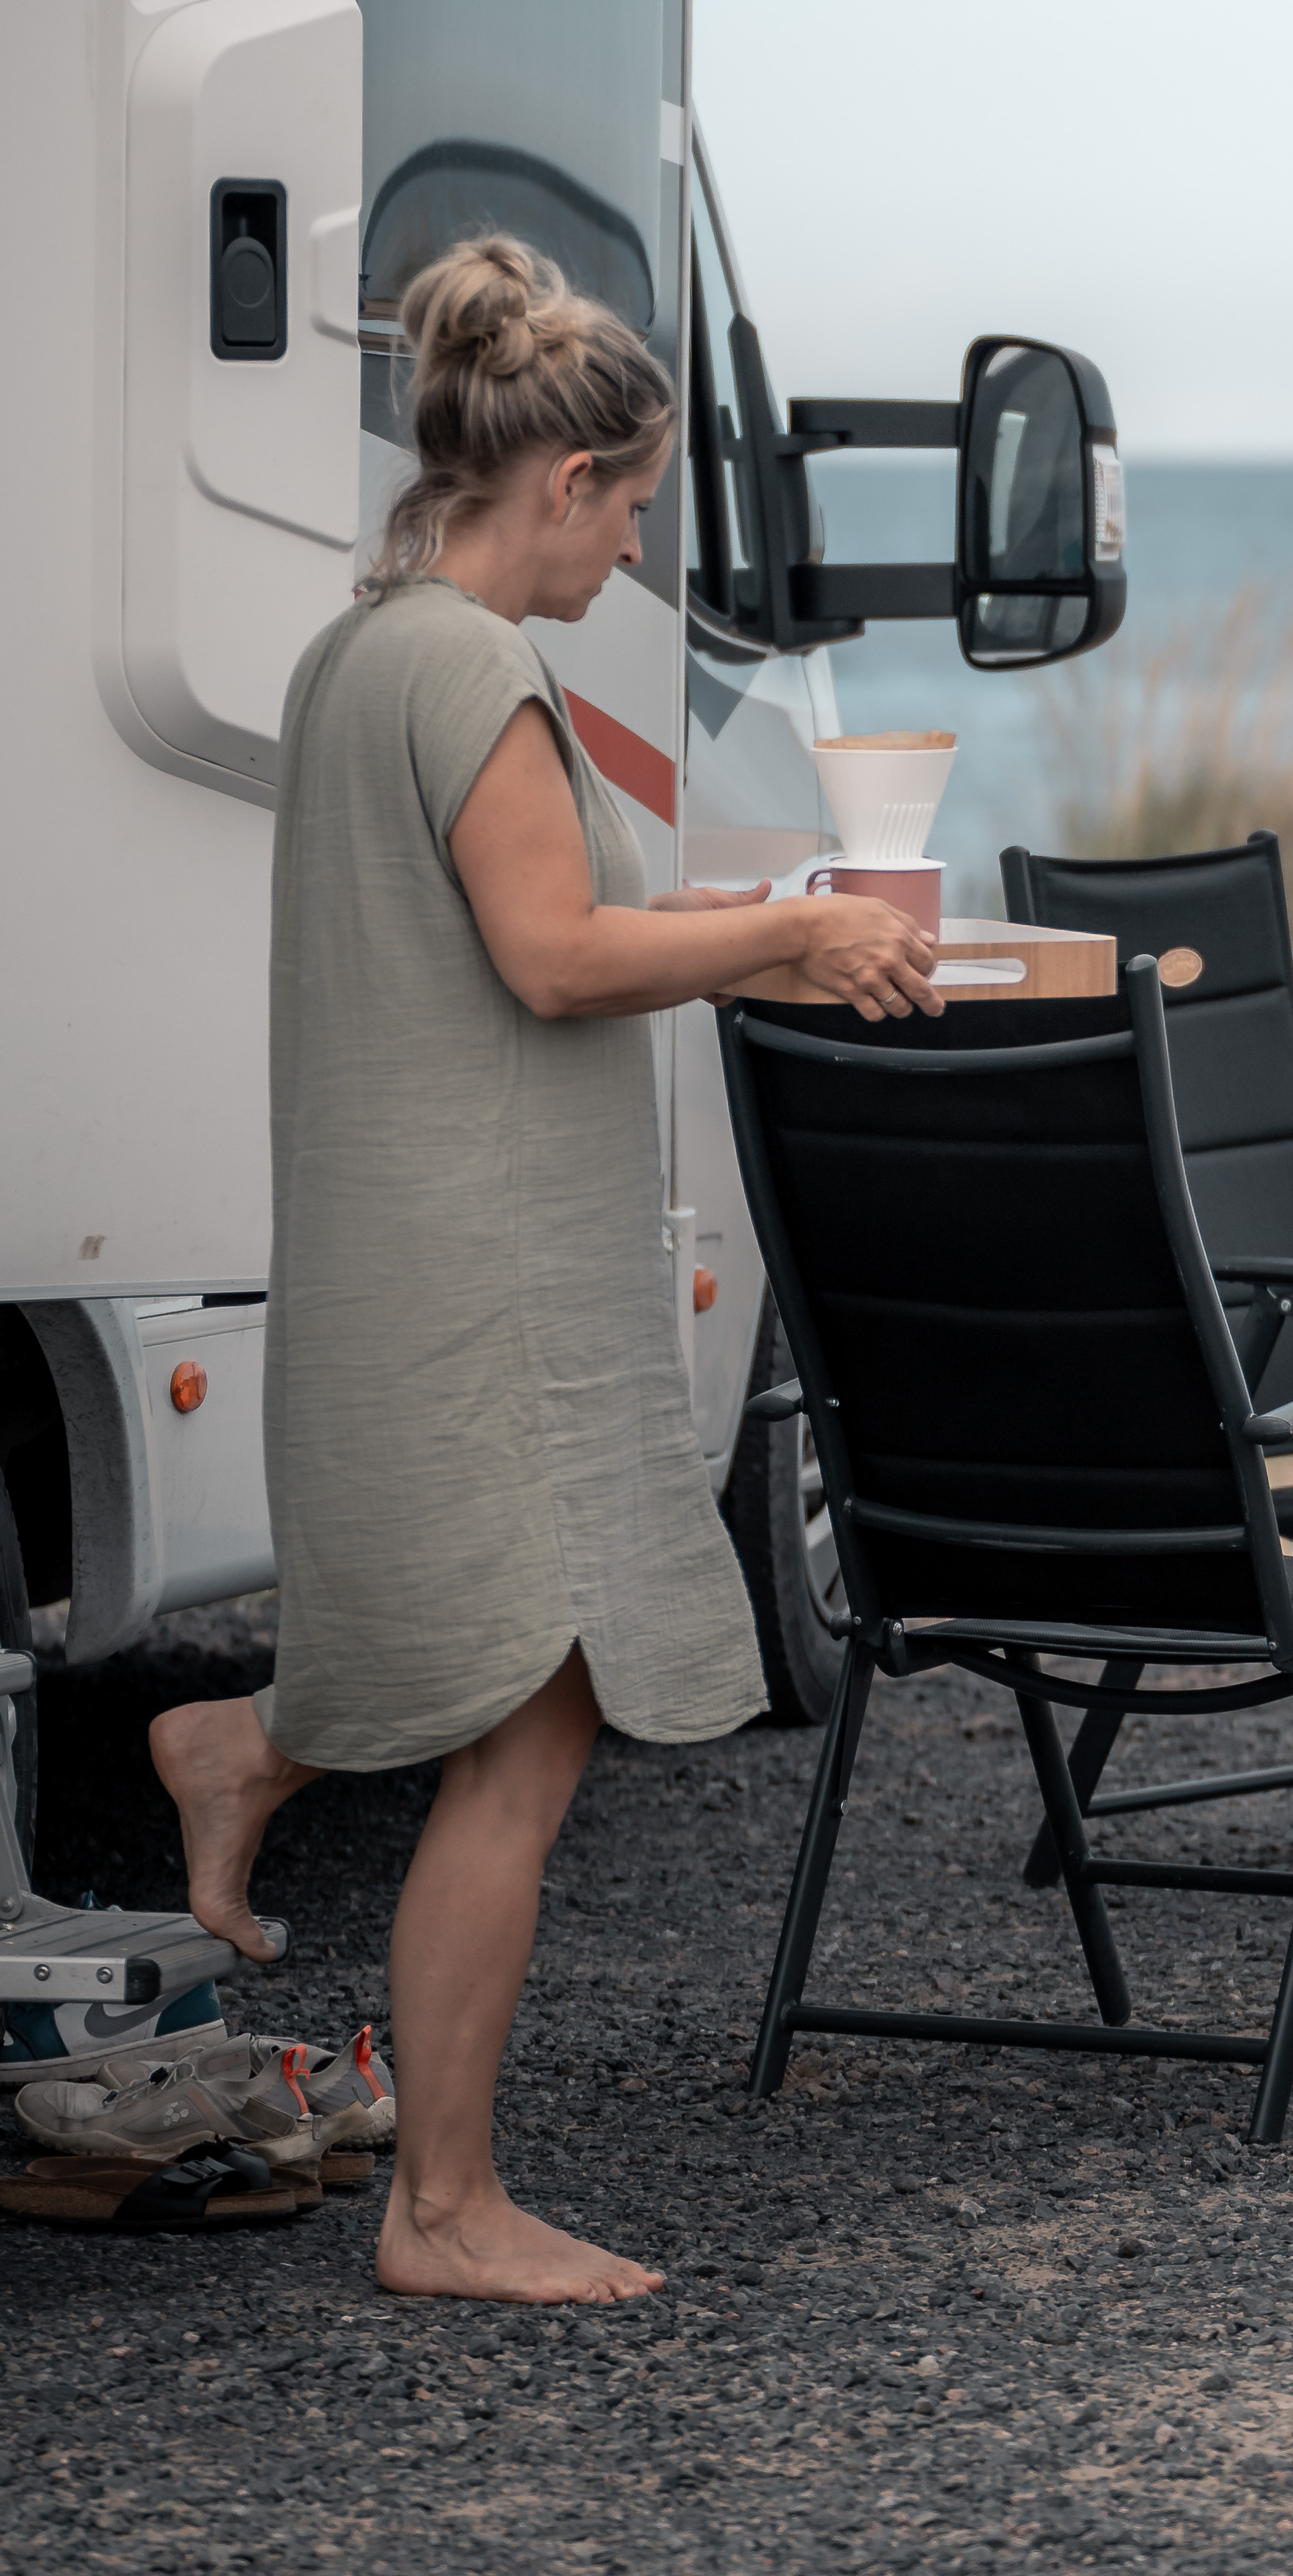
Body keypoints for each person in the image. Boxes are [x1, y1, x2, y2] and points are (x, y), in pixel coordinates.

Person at [147, 235, 938, 2306]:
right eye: (641, 498)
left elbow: (555, 910)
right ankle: (442, 2213)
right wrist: (779, 940)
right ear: (567, 481)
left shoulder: (365, 650)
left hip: (427, 1260)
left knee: (494, 1671)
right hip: (477, 1282)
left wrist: (775, 900)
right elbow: (555, 956)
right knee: (533, 1713)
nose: (644, 537)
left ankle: (247, 1750)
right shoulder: (475, 672)